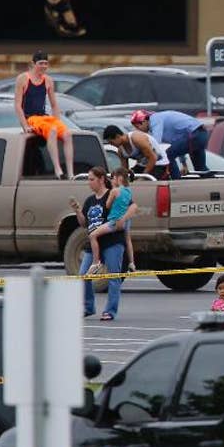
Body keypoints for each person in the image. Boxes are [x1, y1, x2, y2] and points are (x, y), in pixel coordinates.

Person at [70, 168, 136, 322]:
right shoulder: (90, 201)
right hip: (93, 244)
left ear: (101, 179)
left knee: (113, 276)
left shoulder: (113, 192)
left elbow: (132, 207)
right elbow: (84, 224)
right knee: (83, 275)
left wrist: (123, 219)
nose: (89, 182)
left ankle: (110, 311)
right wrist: (78, 211)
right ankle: (88, 306)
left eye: (91, 179)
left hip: (112, 241)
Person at [15, 50, 74, 179]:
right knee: (52, 131)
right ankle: (58, 169)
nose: (44, 66)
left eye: (46, 63)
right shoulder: (24, 79)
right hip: (31, 118)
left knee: (67, 134)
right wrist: (24, 125)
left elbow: (54, 104)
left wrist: (58, 121)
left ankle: (70, 173)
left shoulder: (48, 80)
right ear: (33, 64)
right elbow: (18, 105)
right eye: (41, 63)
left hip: (44, 116)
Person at [131, 109, 209, 178]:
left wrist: (144, 157)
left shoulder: (155, 119)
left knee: (168, 155)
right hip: (200, 134)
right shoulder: (162, 124)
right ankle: (214, 184)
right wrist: (184, 164)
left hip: (194, 135)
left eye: (138, 127)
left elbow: (155, 143)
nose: (138, 130)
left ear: (144, 121)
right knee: (201, 169)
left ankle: (177, 184)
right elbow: (179, 143)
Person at [86, 167, 134, 275]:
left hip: (114, 221)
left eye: (113, 178)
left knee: (93, 235)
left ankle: (96, 262)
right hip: (125, 221)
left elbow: (107, 205)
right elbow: (130, 205)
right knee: (128, 240)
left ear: (119, 178)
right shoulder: (128, 191)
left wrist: (112, 196)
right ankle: (131, 262)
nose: (111, 180)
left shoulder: (115, 191)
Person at [103, 124, 169, 180]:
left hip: (158, 164)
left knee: (140, 182)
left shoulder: (136, 138)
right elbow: (124, 169)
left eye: (111, 142)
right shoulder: (120, 151)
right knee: (127, 180)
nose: (111, 144)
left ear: (118, 136)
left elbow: (153, 158)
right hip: (142, 165)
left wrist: (143, 176)